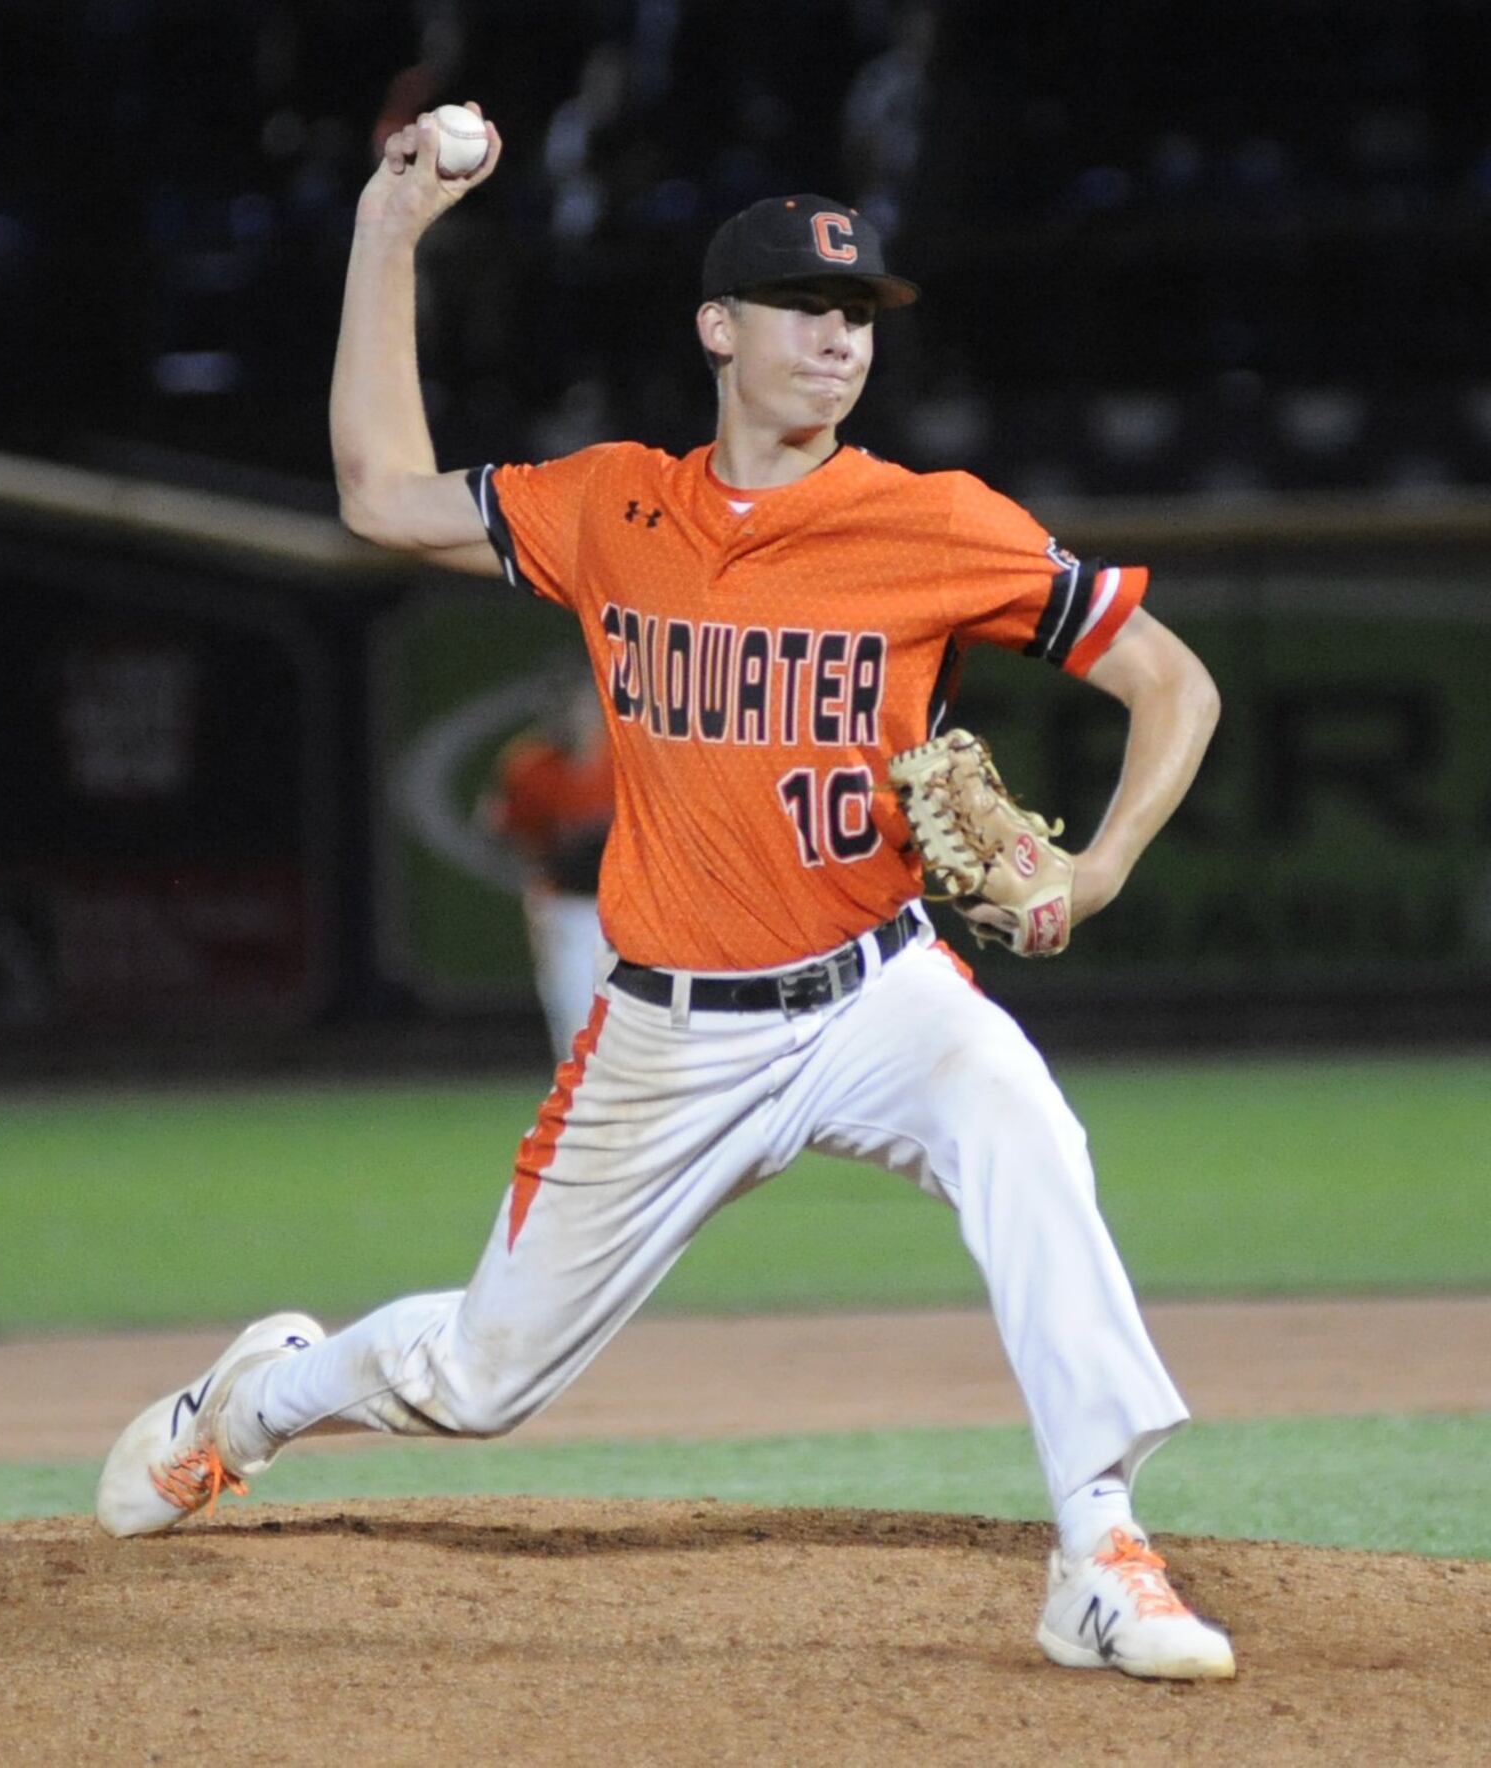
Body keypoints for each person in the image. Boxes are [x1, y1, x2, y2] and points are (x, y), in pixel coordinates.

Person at [96, 106, 1234, 1682]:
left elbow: (1172, 682)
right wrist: (388, 231)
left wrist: (1099, 866)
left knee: (1026, 1130)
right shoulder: (612, 505)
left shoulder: (937, 521)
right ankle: (260, 1400)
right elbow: (377, 493)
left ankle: (1100, 1551)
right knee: (486, 1380)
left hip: (877, 988)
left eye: (859, 319)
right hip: (673, 1029)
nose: (840, 343)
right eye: (806, 311)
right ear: (719, 327)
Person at [478, 665, 614, 1062]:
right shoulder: (529, 767)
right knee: (575, 1026)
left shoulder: (623, 758)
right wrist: (539, 872)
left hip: (626, 911)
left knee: (637, 1027)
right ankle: (581, 1116)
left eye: (578, 704)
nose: (570, 714)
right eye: (561, 706)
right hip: (565, 909)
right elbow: (496, 831)